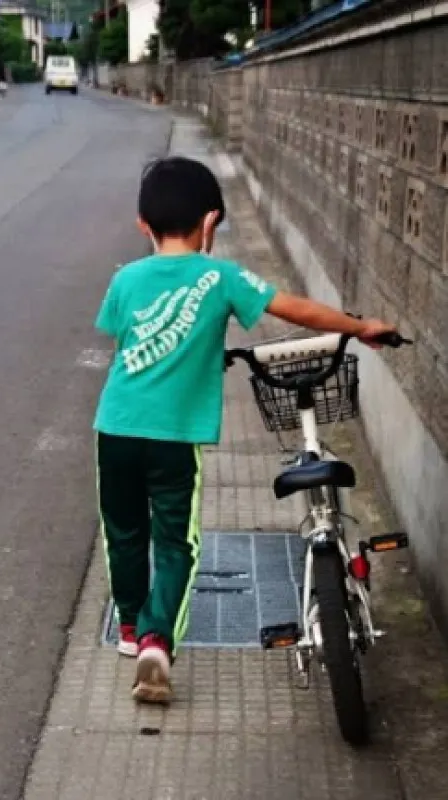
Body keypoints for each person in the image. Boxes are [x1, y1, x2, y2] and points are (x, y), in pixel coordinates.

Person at [93, 156, 395, 705]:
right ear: (211, 222)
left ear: (143, 225)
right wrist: (361, 326)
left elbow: (122, 339)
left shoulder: (125, 279)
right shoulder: (223, 277)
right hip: (174, 437)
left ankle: (132, 626)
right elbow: (297, 309)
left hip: (114, 429)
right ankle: (158, 640)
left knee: (125, 531)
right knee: (175, 539)